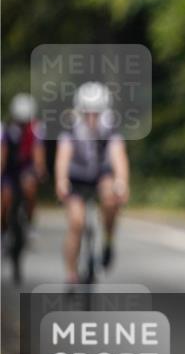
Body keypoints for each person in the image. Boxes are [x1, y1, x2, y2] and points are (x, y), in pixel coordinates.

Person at [55, 82, 130, 283]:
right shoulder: (71, 126)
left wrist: (122, 182)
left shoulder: (110, 126)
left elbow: (118, 156)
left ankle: (108, 240)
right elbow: (63, 156)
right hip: (77, 177)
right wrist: (61, 181)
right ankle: (71, 273)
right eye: (87, 112)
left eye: (96, 112)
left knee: (111, 198)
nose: (91, 117)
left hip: (100, 174)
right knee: (76, 223)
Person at [1, 93, 47, 242]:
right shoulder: (6, 129)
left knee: (30, 187)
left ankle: (29, 221)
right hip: (9, 170)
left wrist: (39, 170)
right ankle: (4, 229)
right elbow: (3, 154)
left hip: (26, 167)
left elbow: (38, 152)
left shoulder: (36, 129)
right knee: (5, 198)